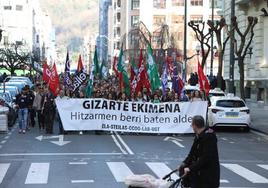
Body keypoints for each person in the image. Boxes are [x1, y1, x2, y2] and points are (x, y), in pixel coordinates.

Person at [178, 115, 220, 188]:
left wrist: (190, 168)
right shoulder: (199, 136)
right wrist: (184, 163)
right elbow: (192, 153)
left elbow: (206, 158)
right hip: (199, 175)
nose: (191, 126)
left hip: (208, 176)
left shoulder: (209, 137)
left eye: (192, 124)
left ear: (194, 125)